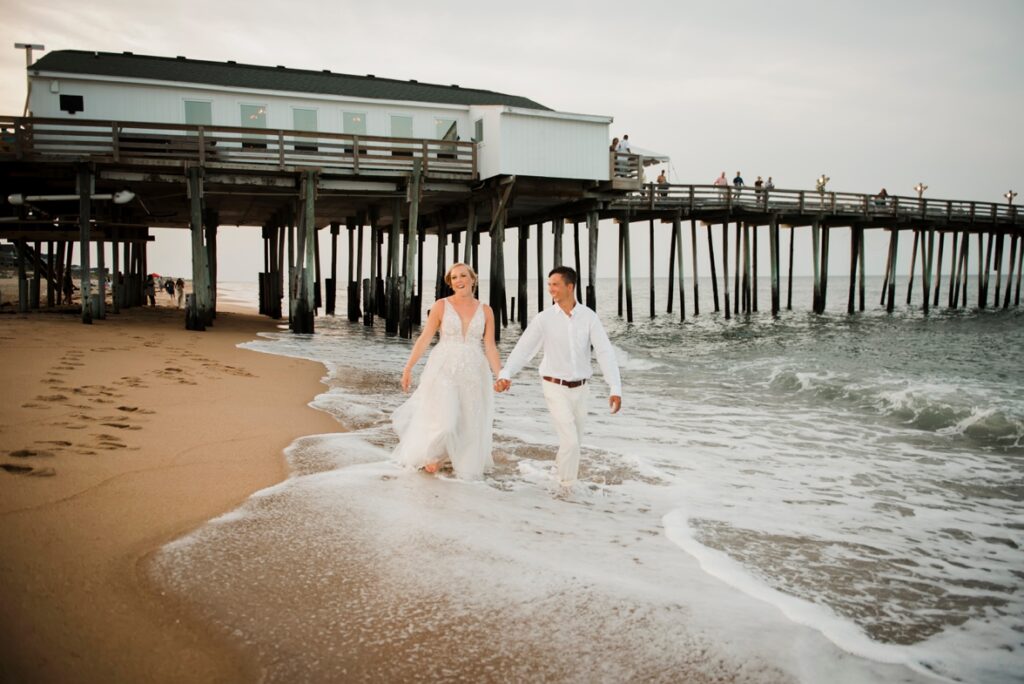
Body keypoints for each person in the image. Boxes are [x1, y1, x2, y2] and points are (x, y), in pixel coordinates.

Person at [495, 266, 622, 490]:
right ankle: (567, 488)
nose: (550, 289)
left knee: (574, 443)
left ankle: (558, 478)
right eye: (549, 284)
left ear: (570, 287)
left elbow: (604, 351)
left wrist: (615, 387)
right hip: (554, 386)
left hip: (582, 388)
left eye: (555, 284)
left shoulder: (588, 317)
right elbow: (524, 349)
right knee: (571, 442)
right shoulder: (544, 319)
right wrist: (506, 374)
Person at [393, 263, 502, 479]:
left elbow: (489, 345)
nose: (459, 280)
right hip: (443, 367)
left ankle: (461, 464)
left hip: (473, 370)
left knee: (469, 421)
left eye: (463, 276)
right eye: (454, 278)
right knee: (446, 421)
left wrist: (500, 374)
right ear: (450, 283)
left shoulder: (486, 310)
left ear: (473, 279)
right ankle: (433, 454)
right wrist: (408, 367)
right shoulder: (441, 306)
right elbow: (425, 338)